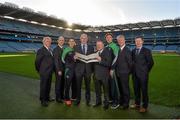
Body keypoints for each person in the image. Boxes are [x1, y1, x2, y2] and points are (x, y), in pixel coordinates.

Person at [131, 36, 154, 113]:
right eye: (136, 41)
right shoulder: (133, 51)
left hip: (143, 75)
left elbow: (151, 63)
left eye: (139, 41)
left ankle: (145, 106)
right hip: (134, 75)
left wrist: (145, 71)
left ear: (142, 41)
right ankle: (137, 104)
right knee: (136, 90)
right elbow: (132, 62)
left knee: (144, 91)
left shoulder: (147, 51)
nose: (137, 42)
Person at [111, 35, 132, 109]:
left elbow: (130, 63)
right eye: (118, 40)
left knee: (125, 89)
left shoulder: (127, 50)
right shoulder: (119, 49)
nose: (120, 41)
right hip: (118, 73)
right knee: (121, 89)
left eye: (121, 40)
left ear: (124, 40)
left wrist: (127, 73)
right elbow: (116, 62)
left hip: (124, 74)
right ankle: (122, 101)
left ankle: (126, 104)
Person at [74, 33, 94, 106]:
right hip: (79, 70)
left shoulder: (91, 47)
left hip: (88, 70)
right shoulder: (76, 47)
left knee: (88, 86)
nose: (84, 39)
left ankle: (88, 101)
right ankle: (78, 100)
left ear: (87, 39)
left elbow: (92, 59)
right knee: (78, 86)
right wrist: (74, 58)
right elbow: (73, 58)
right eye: (82, 38)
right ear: (80, 39)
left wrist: (92, 70)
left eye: (85, 38)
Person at [35, 37, 54, 107]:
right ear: (43, 42)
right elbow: (37, 62)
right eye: (47, 41)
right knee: (43, 86)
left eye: (50, 41)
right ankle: (42, 100)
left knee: (48, 85)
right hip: (44, 72)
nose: (49, 42)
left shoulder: (50, 50)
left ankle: (47, 97)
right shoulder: (41, 50)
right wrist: (39, 70)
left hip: (50, 72)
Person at [93, 40, 112, 110]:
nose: (98, 46)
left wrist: (100, 60)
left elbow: (109, 63)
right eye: (97, 45)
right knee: (97, 90)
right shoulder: (95, 53)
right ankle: (98, 102)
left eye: (100, 45)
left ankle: (106, 104)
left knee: (106, 91)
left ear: (103, 45)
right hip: (96, 75)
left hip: (104, 76)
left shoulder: (107, 51)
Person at [105, 33, 120, 109]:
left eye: (110, 37)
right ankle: (111, 99)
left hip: (112, 70)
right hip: (107, 70)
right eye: (107, 37)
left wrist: (112, 68)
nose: (108, 38)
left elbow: (116, 58)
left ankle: (116, 102)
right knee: (109, 85)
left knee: (114, 86)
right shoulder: (106, 46)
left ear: (112, 38)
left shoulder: (114, 46)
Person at [61, 39, 76, 106]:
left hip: (75, 70)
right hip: (69, 70)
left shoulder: (76, 49)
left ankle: (73, 97)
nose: (72, 42)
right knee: (67, 85)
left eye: (73, 41)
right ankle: (67, 98)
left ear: (74, 43)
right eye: (70, 41)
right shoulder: (66, 49)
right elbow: (62, 59)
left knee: (74, 84)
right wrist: (68, 65)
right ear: (68, 43)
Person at [53, 36, 65, 103]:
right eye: (60, 40)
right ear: (58, 41)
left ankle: (62, 95)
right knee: (58, 84)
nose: (61, 41)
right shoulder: (56, 49)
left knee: (63, 83)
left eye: (63, 40)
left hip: (64, 70)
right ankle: (58, 98)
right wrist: (58, 70)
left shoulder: (64, 49)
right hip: (59, 70)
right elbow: (56, 61)